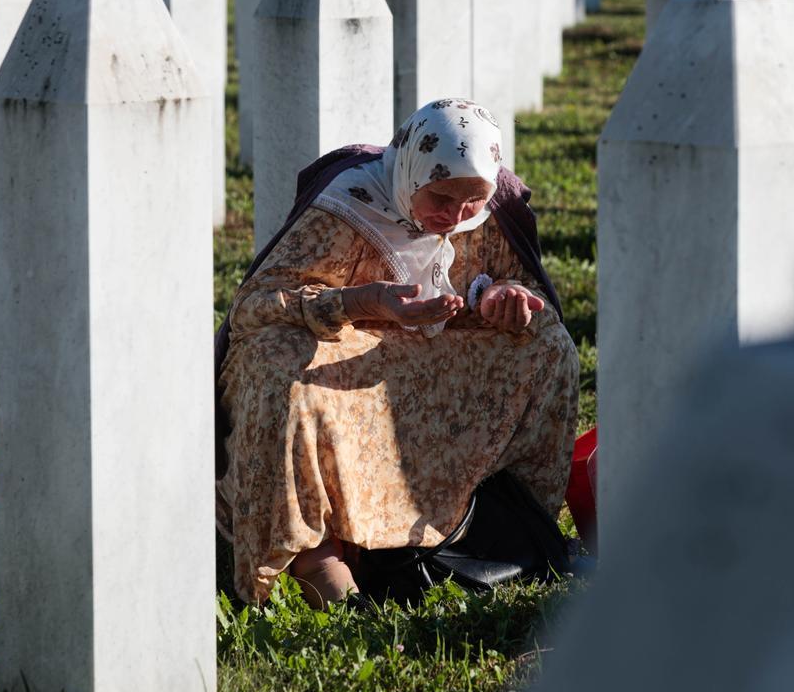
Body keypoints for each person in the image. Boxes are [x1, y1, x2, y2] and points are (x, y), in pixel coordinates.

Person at [214, 100, 580, 607]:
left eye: (471, 200)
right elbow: (255, 306)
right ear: (411, 173)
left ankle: (498, 522)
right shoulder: (349, 206)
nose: (454, 217)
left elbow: (501, 281)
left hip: (432, 358)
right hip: (348, 345)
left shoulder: (491, 212)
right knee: (284, 372)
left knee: (548, 347)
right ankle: (319, 554)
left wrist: (499, 296)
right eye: (442, 197)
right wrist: (361, 300)